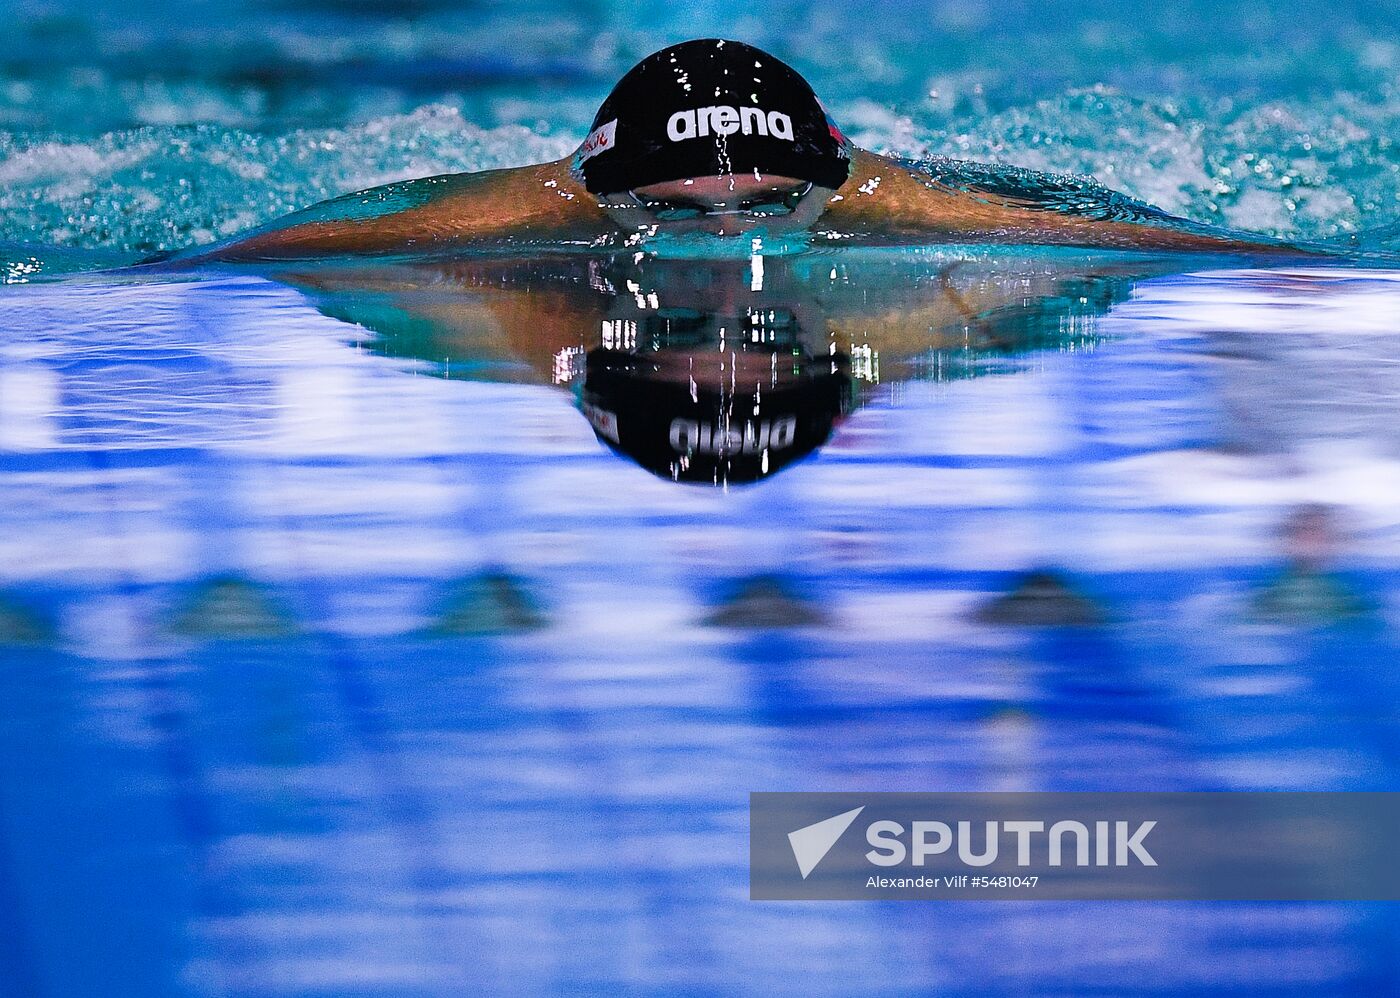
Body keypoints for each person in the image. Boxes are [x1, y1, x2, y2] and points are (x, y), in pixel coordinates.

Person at [163, 39, 1319, 264]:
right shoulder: (531, 208)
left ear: (825, 175)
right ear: (599, 184)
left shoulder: (888, 204)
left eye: (765, 206)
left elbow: (1123, 240)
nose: (723, 240)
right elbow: (302, 242)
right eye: (674, 215)